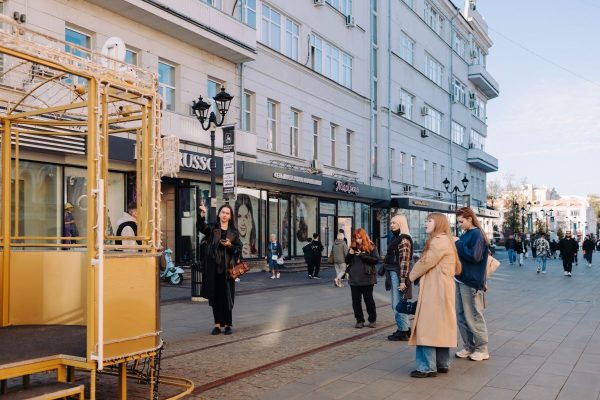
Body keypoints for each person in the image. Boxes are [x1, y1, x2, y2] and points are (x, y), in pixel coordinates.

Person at [407, 213, 461, 378]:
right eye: (425, 221)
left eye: (429, 221)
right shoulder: (446, 240)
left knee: (427, 326)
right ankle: (441, 363)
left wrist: (409, 277)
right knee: (440, 325)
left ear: (438, 223)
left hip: (435, 290)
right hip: (442, 289)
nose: (425, 224)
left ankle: (426, 367)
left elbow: (425, 263)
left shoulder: (438, 241)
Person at [198, 203, 242, 335]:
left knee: (227, 297)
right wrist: (202, 216)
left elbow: (238, 250)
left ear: (230, 216)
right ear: (219, 214)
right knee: (215, 297)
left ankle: (228, 324)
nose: (224, 215)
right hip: (213, 269)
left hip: (228, 270)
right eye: (223, 212)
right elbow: (202, 227)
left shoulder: (234, 232)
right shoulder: (212, 228)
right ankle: (217, 325)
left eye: (227, 213)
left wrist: (230, 245)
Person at [454, 207, 490, 362]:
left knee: (473, 316)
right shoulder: (467, 233)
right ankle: (469, 346)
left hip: (471, 281)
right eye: (458, 222)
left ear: (470, 218)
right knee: (462, 316)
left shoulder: (477, 234)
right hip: (461, 279)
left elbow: (474, 257)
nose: (460, 224)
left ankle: (482, 349)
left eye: (461, 221)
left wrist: (458, 244)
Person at [384, 214, 413, 342]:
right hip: (393, 273)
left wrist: (402, 281)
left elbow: (404, 262)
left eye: (394, 223)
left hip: (398, 275)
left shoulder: (404, 240)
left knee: (398, 304)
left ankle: (404, 331)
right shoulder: (396, 238)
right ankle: (403, 328)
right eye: (390, 223)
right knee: (397, 304)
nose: (391, 225)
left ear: (401, 224)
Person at [345, 228, 379, 329]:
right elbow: (347, 261)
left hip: (367, 278)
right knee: (356, 301)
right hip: (354, 278)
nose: (358, 240)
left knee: (368, 300)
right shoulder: (352, 247)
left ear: (363, 237)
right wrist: (350, 254)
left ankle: (372, 320)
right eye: (356, 238)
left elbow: (376, 260)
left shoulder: (371, 247)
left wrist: (362, 255)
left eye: (359, 238)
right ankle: (359, 320)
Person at [235, 194, 257, 258]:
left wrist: (248, 233)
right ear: (235, 218)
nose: (243, 222)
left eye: (246, 217)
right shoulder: (232, 242)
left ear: (250, 219)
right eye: (239, 216)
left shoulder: (254, 249)